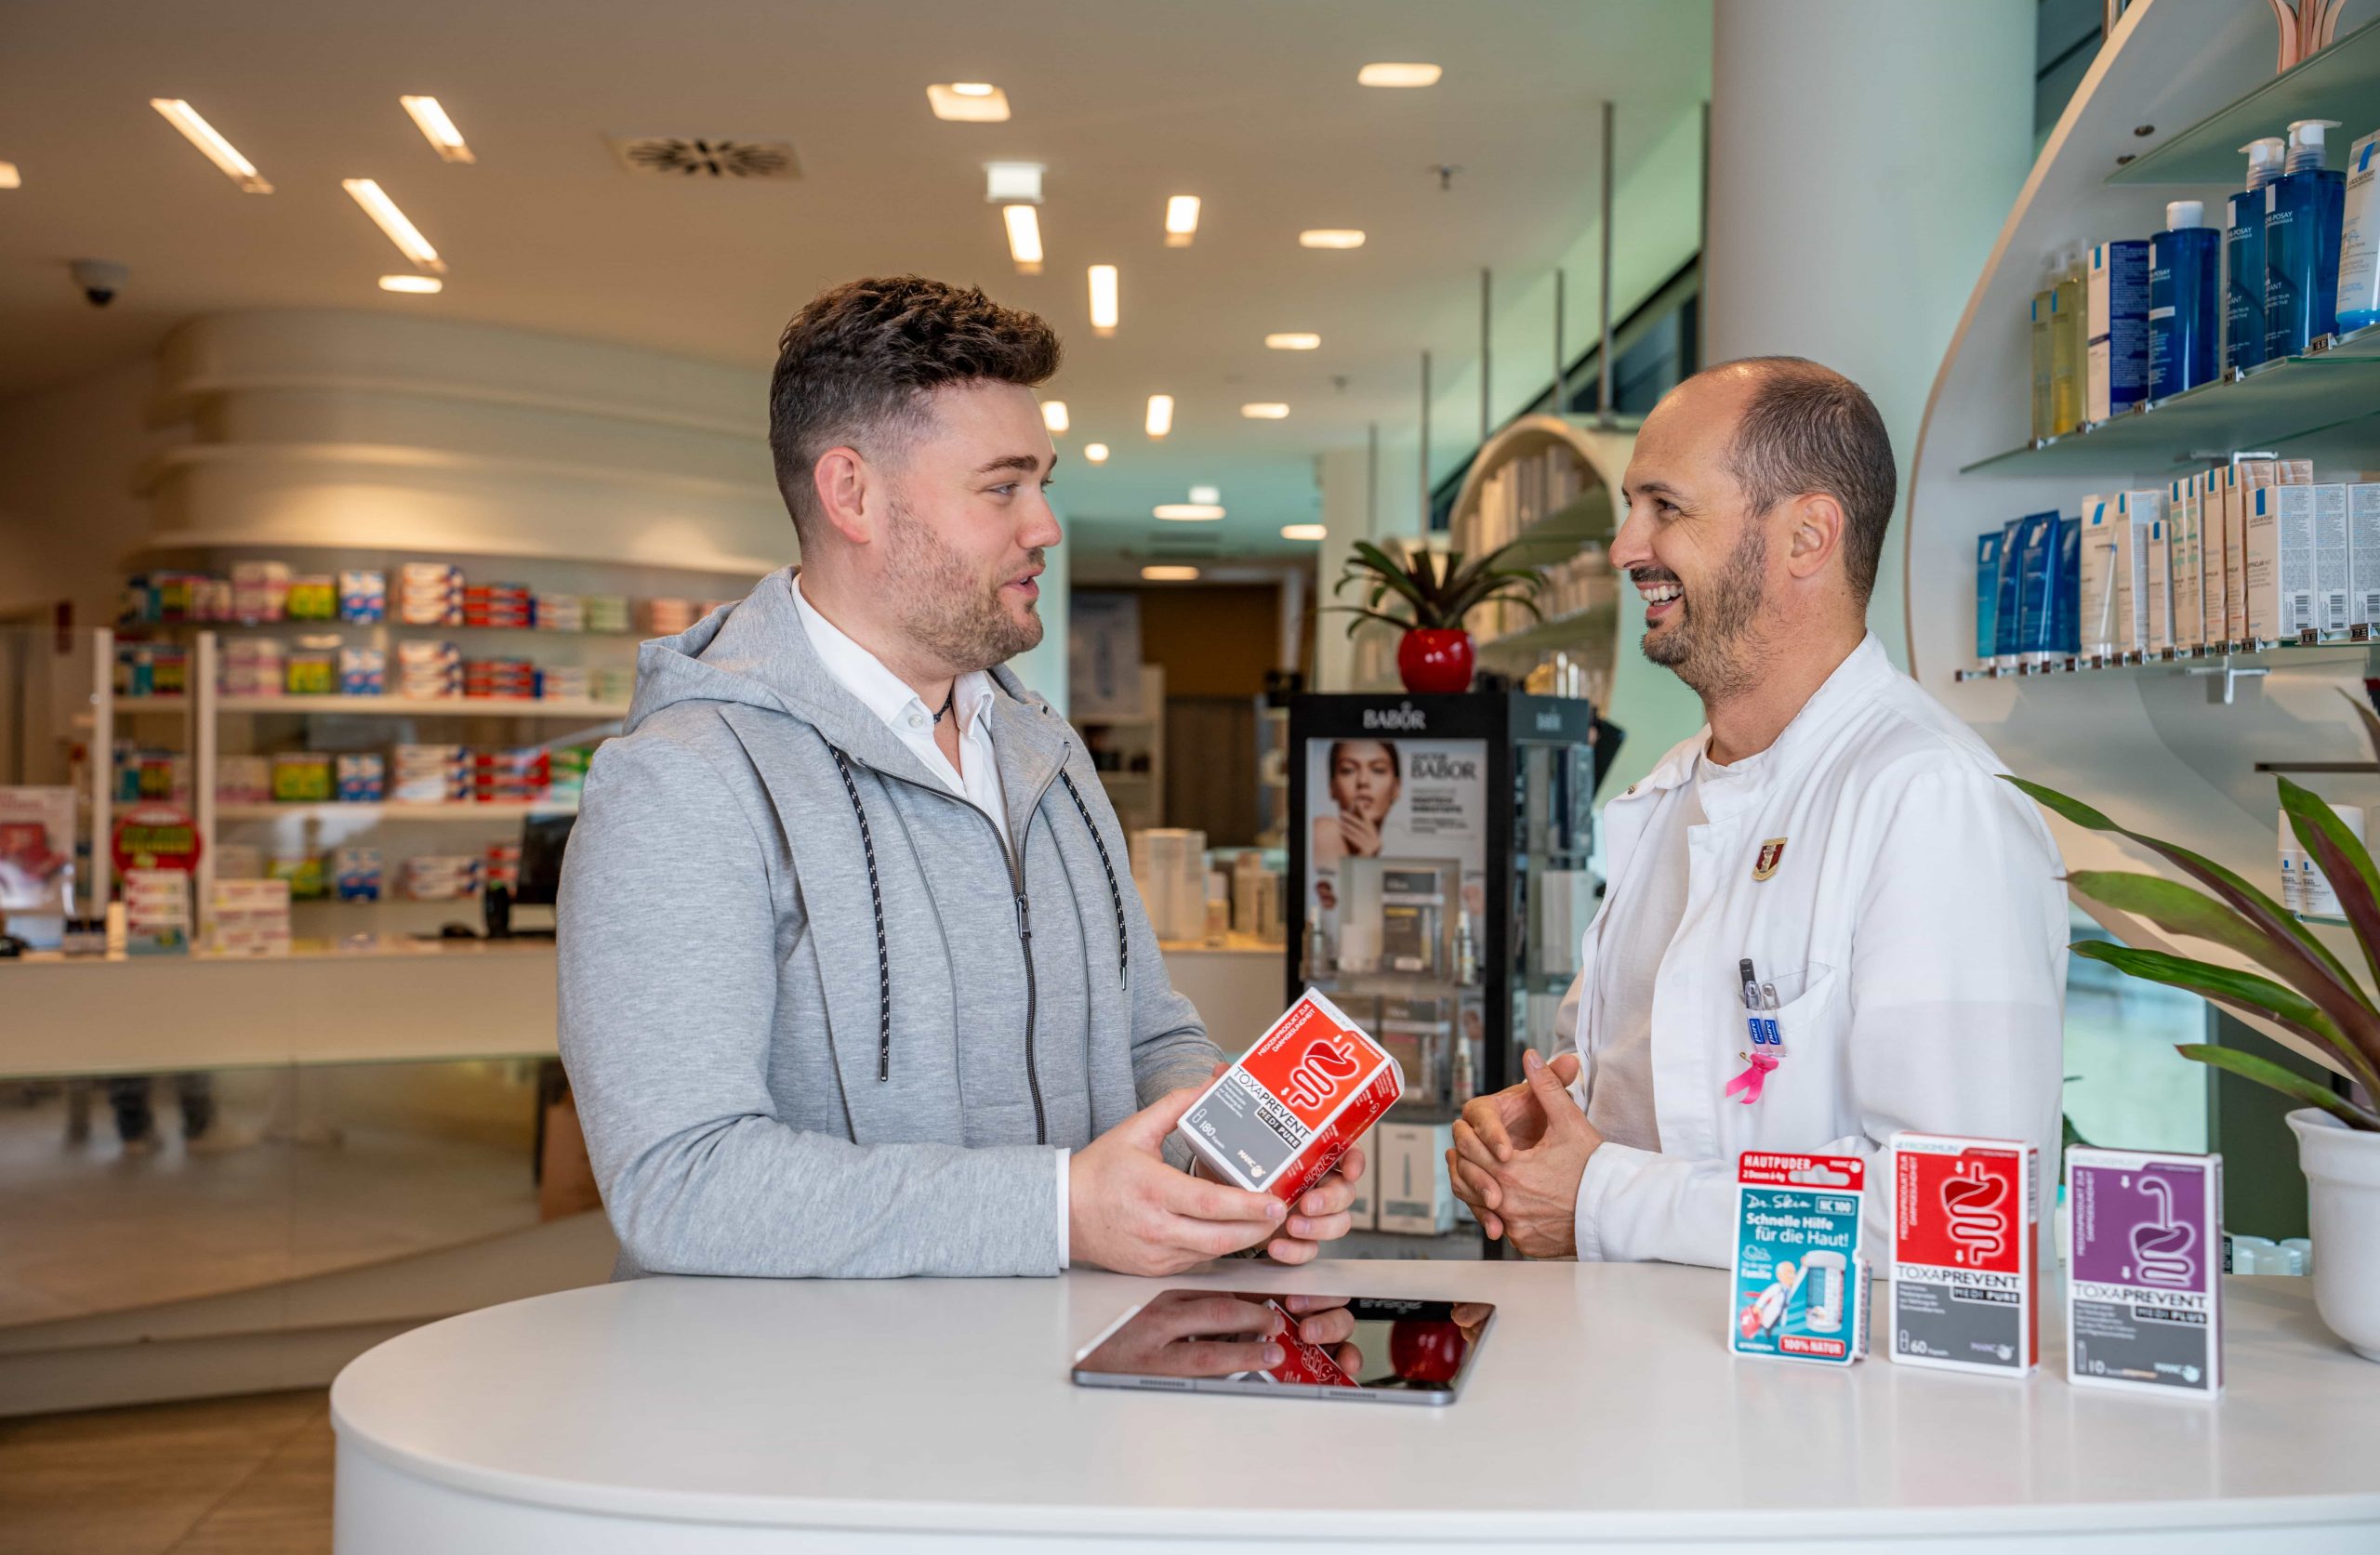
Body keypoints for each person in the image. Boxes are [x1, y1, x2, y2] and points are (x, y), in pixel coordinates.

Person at [559, 275, 1360, 1280]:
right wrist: (1058, 1212)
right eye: (1002, 486)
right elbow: (678, 1180)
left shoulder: (1041, 748)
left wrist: (1225, 1161)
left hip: (1075, 1382)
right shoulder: (687, 782)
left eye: (1044, 483)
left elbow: (1146, 1028)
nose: (1045, 527)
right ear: (851, 493)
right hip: (830, 1418)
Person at [1446, 357, 2065, 1269]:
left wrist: (1602, 1198)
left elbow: (1966, 1210)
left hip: (1833, 1407)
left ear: (1807, 536)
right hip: (1632, 1380)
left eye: (1665, 507)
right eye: (1630, 508)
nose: (1624, 548)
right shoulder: (1666, 797)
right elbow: (1621, 1111)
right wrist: (1531, 1142)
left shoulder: (1930, 801)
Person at [1310, 739, 1400, 913]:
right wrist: (1365, 860)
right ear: (1332, 787)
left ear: (1396, 787)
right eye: (1348, 770)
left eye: (1378, 770)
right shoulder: (1326, 831)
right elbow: (1334, 920)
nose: (1363, 781)